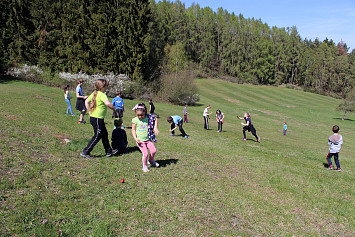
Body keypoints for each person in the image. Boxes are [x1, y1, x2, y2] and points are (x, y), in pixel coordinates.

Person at [80, 79, 119, 159]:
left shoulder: (95, 93)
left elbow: (86, 101)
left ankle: (108, 151)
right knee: (97, 136)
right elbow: (108, 104)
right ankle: (86, 151)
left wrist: (89, 112)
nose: (106, 88)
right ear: (102, 87)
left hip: (95, 118)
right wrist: (114, 109)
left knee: (104, 134)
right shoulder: (102, 94)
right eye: (106, 86)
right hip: (97, 119)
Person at [131, 103, 159, 172]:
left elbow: (155, 119)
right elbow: (133, 129)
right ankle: (145, 166)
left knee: (153, 151)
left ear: (145, 112)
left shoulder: (148, 117)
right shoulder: (135, 120)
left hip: (148, 139)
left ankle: (151, 161)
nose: (140, 116)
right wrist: (135, 138)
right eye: (138, 115)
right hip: (140, 141)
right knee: (145, 153)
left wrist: (155, 128)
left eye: (141, 115)